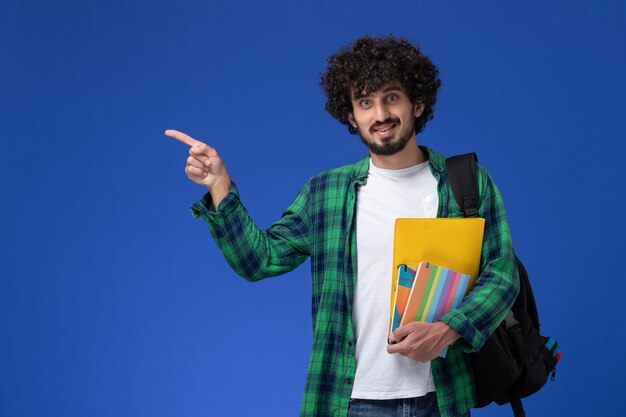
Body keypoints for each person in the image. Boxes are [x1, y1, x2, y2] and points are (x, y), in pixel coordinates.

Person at [166, 35, 519, 417]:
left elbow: (501, 274)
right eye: (365, 102)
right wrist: (220, 186)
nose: (379, 113)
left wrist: (449, 329)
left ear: (417, 103)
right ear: (351, 116)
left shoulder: (465, 182)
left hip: (442, 397)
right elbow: (259, 260)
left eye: (391, 97)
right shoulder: (326, 192)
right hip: (348, 400)